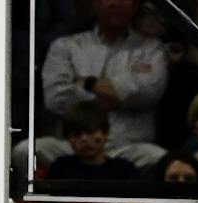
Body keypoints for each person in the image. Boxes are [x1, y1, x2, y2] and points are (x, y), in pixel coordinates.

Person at [39, 0, 167, 158]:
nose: (116, 3)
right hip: (73, 147)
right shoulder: (65, 46)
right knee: (24, 152)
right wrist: (119, 96)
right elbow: (55, 99)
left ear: (135, 5)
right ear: (95, 3)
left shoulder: (151, 48)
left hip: (129, 148)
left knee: (158, 157)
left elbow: (148, 94)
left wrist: (87, 84)